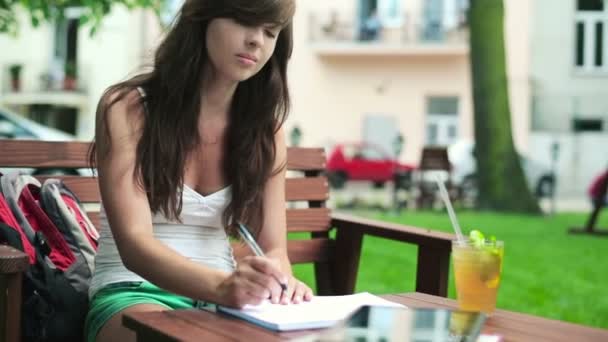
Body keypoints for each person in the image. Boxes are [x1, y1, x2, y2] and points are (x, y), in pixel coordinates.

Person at [84, 1, 313, 341]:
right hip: (133, 292)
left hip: (227, 302)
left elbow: (274, 247)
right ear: (202, 16)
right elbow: (135, 244)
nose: (256, 41)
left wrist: (276, 279)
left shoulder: (265, 132)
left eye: (270, 32)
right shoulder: (127, 108)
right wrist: (223, 287)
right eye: (243, 21)